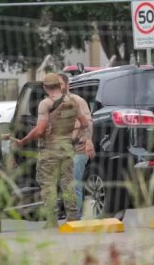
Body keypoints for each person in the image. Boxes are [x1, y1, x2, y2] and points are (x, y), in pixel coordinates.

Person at [15, 73, 89, 228]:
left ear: (45, 87)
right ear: (59, 85)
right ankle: (73, 218)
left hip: (49, 150)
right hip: (67, 149)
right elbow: (84, 123)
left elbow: (40, 130)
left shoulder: (46, 104)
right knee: (68, 184)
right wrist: (74, 137)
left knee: (48, 184)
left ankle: (51, 220)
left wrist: (23, 141)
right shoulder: (74, 101)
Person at [58, 73, 95, 218]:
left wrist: (87, 141)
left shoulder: (77, 101)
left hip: (79, 148)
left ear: (67, 85)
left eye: (60, 83)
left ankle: (76, 218)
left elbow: (88, 123)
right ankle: (72, 216)